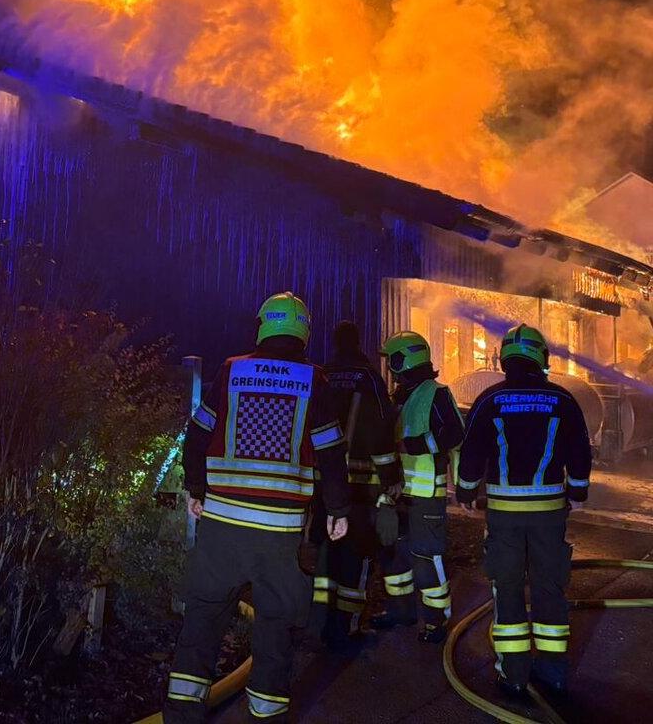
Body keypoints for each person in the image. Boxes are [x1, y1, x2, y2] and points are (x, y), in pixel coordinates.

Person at [164, 291, 349, 723]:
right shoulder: (313, 379)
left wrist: (196, 487)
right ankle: (266, 715)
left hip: (223, 524)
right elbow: (331, 452)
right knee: (276, 625)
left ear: (263, 324)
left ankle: (180, 715)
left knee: (204, 617)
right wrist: (337, 510)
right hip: (279, 532)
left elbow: (197, 432)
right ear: (303, 329)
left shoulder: (232, 370)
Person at [456, 324, 592, 697]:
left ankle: (512, 676)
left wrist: (465, 492)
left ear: (505, 358)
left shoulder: (489, 400)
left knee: (508, 588)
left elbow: (471, 453)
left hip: (504, 513)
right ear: (541, 357)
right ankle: (553, 673)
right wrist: (578, 490)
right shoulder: (563, 400)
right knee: (549, 587)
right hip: (549, 512)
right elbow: (580, 449)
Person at [311, 320, 401, 650]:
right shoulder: (369, 378)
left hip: (323, 484)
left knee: (326, 550)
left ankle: (318, 621)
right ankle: (344, 628)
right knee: (356, 554)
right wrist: (391, 479)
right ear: (358, 341)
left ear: (334, 342)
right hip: (359, 486)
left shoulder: (321, 375)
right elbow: (382, 428)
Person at [376, 331, 465, 643]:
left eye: (394, 360)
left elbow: (455, 432)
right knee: (394, 556)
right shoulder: (402, 396)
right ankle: (400, 611)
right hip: (397, 492)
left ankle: (436, 621)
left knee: (426, 558)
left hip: (425, 495)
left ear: (408, 358)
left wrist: (415, 445)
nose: (391, 369)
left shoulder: (436, 393)